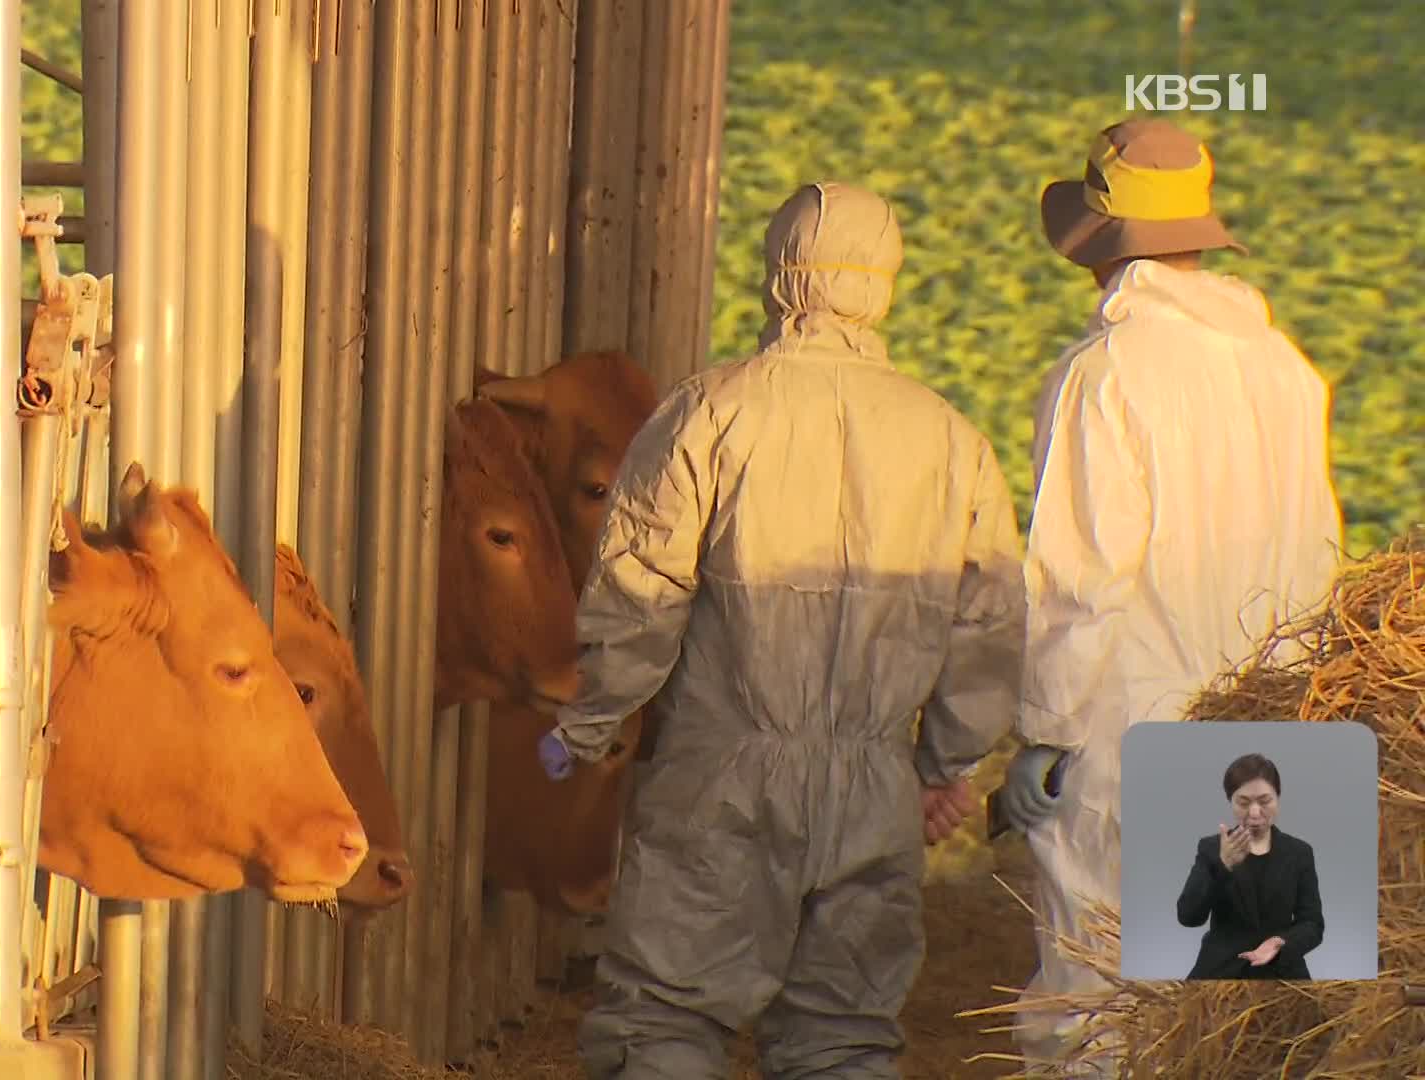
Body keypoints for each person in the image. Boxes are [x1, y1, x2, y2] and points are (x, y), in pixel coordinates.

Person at [535, 181, 1028, 1079]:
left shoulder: (708, 412)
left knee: (665, 1021)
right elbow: (988, 620)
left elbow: (641, 595)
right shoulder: (952, 439)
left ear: (777, 276)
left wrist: (588, 725)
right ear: (885, 283)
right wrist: (944, 766)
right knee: (844, 1036)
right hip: (872, 784)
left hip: (717, 775)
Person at [994, 116, 1344, 1073]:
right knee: (1248, 1025)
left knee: (1099, 1013)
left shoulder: (1103, 376)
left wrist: (1045, 733)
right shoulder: (1285, 370)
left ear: (1099, 245)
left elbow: (1080, 581)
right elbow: (1318, 553)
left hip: (1127, 736)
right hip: (1272, 728)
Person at [1175, 752, 1324, 980]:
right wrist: (1222, 866)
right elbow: (1188, 916)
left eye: (1265, 801)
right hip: (1221, 969)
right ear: (1230, 801)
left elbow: (1312, 924)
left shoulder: (1299, 852)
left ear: (1278, 798)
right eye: (1243, 803)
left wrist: (1279, 943)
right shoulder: (1210, 848)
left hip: (1282, 968)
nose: (1255, 813)